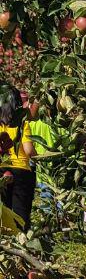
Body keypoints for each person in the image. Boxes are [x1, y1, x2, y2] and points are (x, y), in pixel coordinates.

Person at [0, 84, 35, 227]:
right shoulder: (22, 122)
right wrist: (41, 157)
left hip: (2, 169)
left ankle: (6, 241)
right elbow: (28, 150)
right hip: (22, 171)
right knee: (21, 213)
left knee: (4, 210)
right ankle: (21, 240)